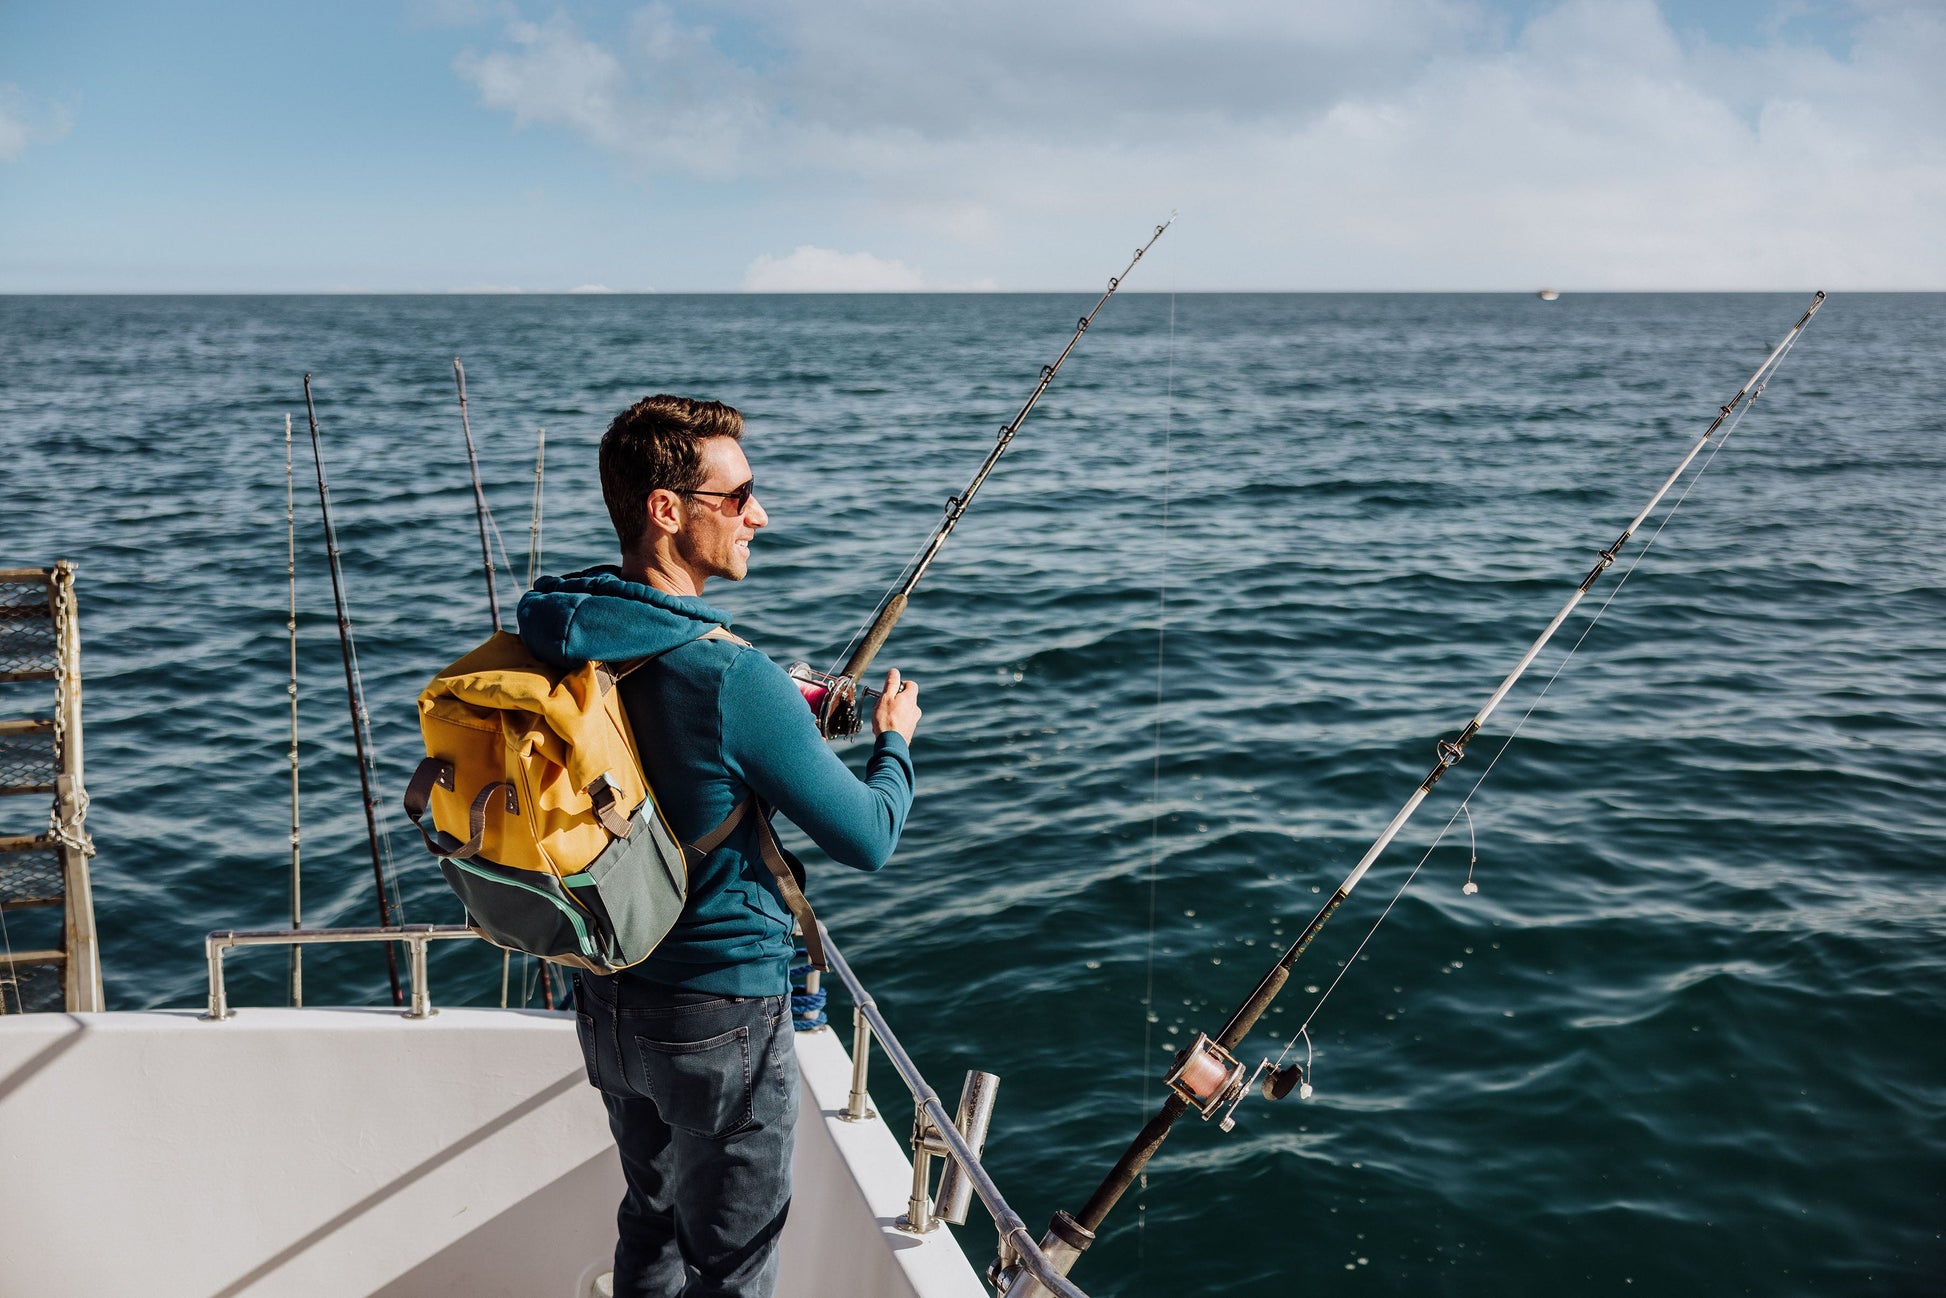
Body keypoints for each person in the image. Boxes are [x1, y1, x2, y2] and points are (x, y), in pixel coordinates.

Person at [517, 394, 922, 1298]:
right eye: (738, 497)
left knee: (650, 1219)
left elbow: (662, 738)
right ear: (667, 509)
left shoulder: (561, 629)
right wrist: (893, 740)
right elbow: (869, 837)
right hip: (719, 1014)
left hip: (605, 995)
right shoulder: (733, 676)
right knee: (733, 1266)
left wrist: (788, 717)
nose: (759, 515)